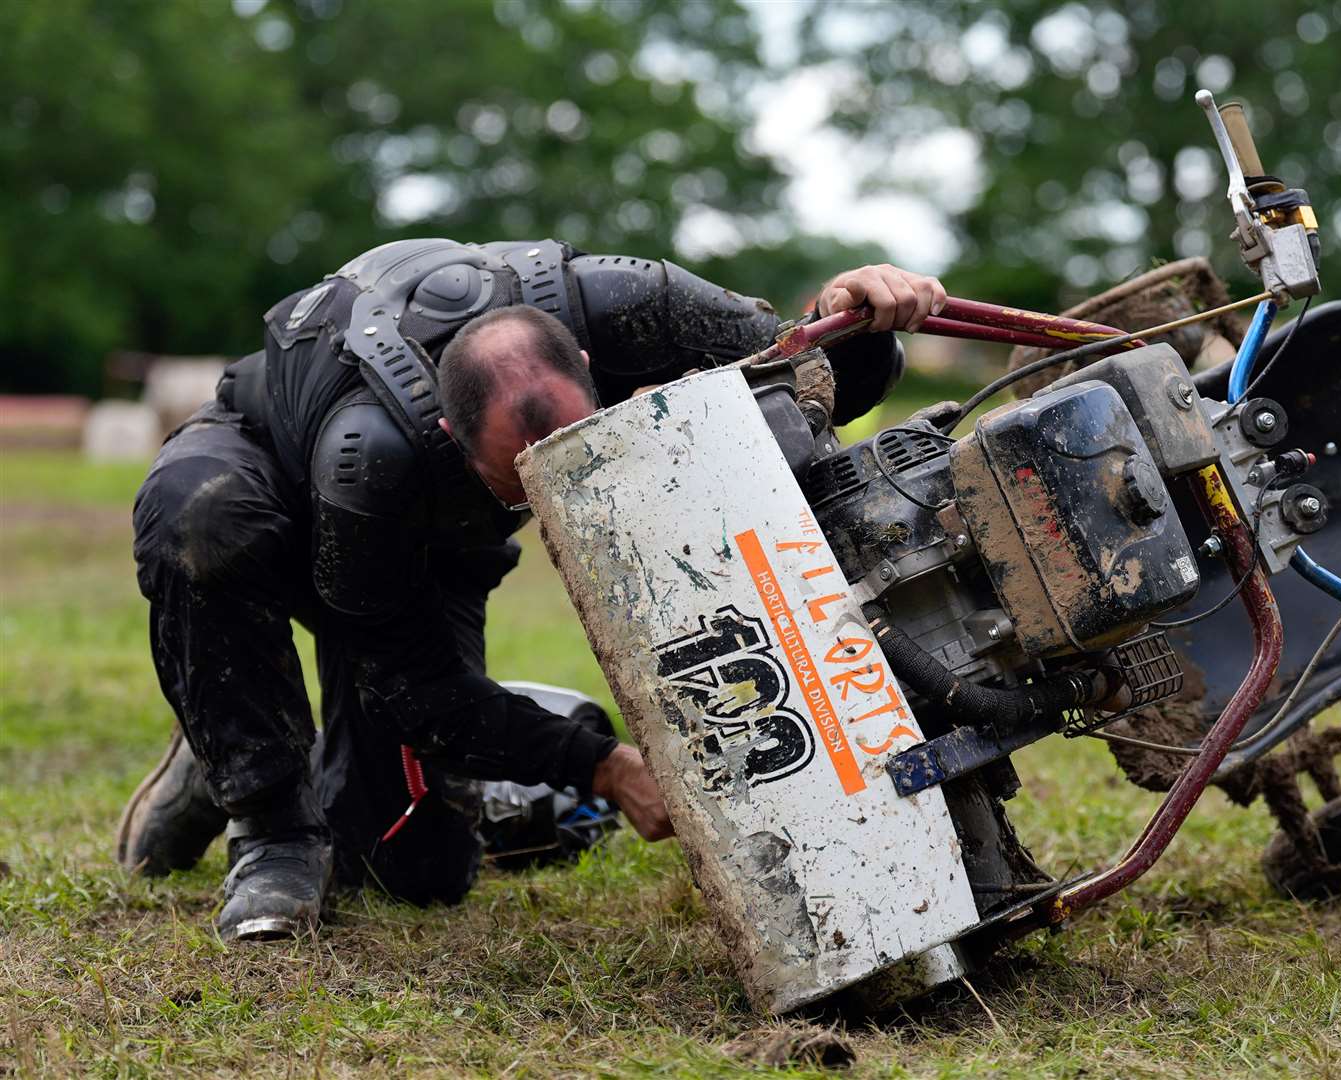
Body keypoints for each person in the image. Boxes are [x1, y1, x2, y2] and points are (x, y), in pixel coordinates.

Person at [117, 235, 946, 941]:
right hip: (276, 475)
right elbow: (415, 684)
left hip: (430, 544)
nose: (550, 504)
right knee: (203, 522)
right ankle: (260, 800)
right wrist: (603, 767)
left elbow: (804, 383)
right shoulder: (376, 453)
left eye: (570, 457)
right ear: (451, 437)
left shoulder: (636, 305)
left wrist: (860, 311)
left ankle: (231, 734)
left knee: (413, 868)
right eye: (522, 482)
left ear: (590, 366)